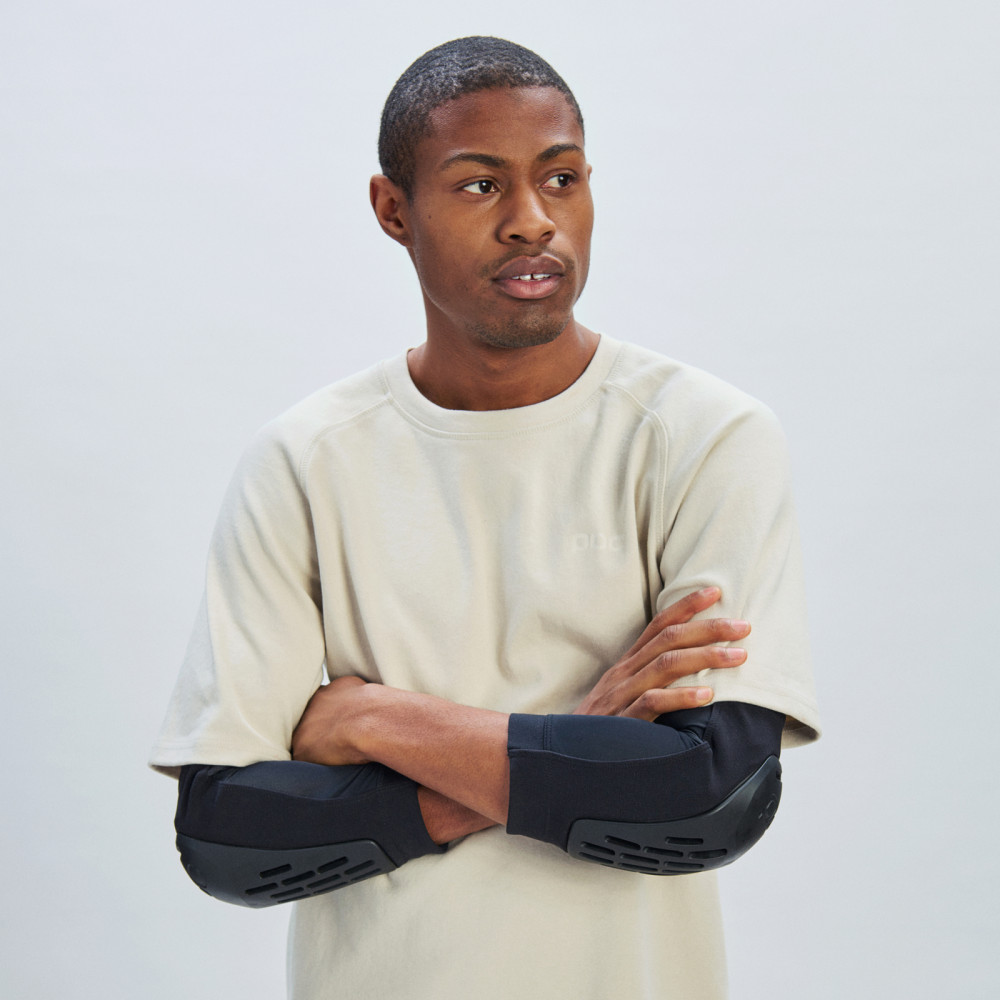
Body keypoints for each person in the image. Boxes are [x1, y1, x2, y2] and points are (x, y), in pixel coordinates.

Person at [151, 35, 820, 1000]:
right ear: (394, 210)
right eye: (479, 185)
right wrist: (583, 740)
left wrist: (373, 718)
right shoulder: (305, 460)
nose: (532, 220)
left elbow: (709, 800)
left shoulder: (703, 436)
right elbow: (230, 836)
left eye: (561, 179)